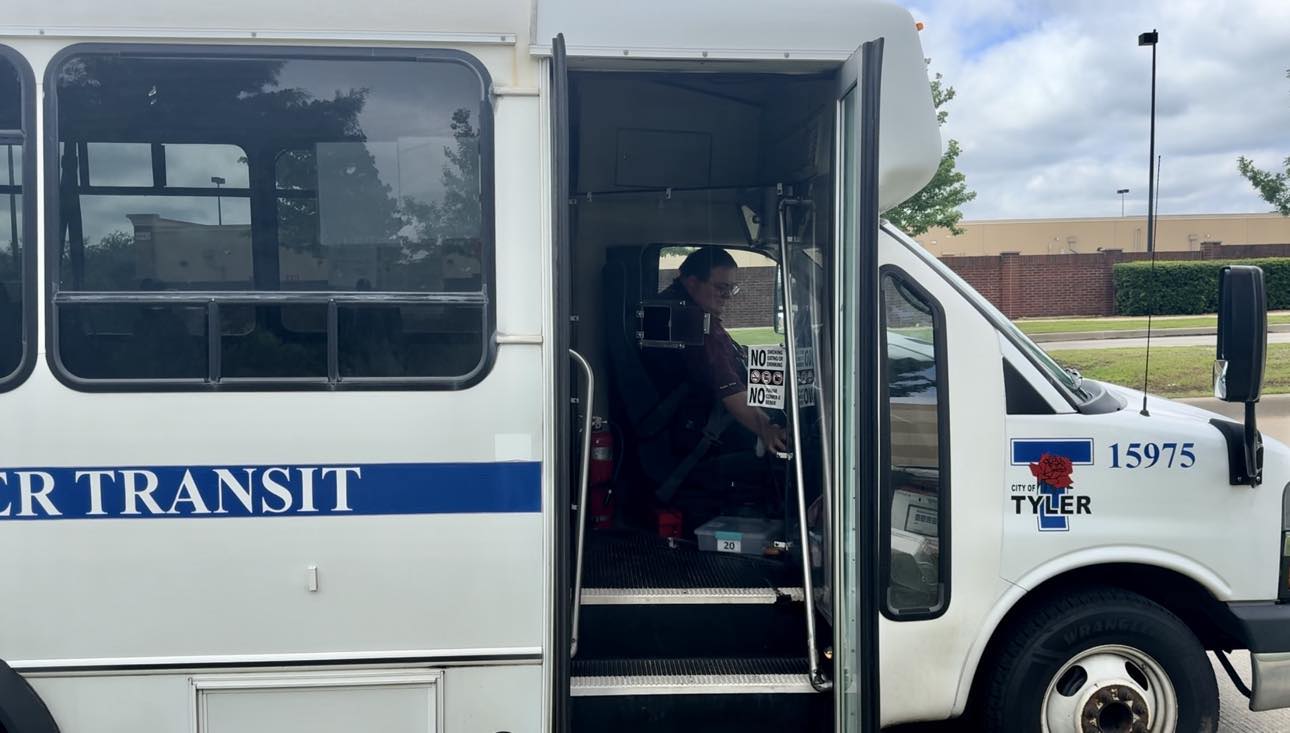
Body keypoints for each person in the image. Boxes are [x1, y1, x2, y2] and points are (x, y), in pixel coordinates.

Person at [654, 247, 787, 457]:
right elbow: (728, 388)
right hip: (711, 435)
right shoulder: (694, 323)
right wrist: (767, 429)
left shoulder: (682, 311)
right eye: (721, 287)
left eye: (731, 288)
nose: (727, 296)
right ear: (692, 282)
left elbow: (727, 356)